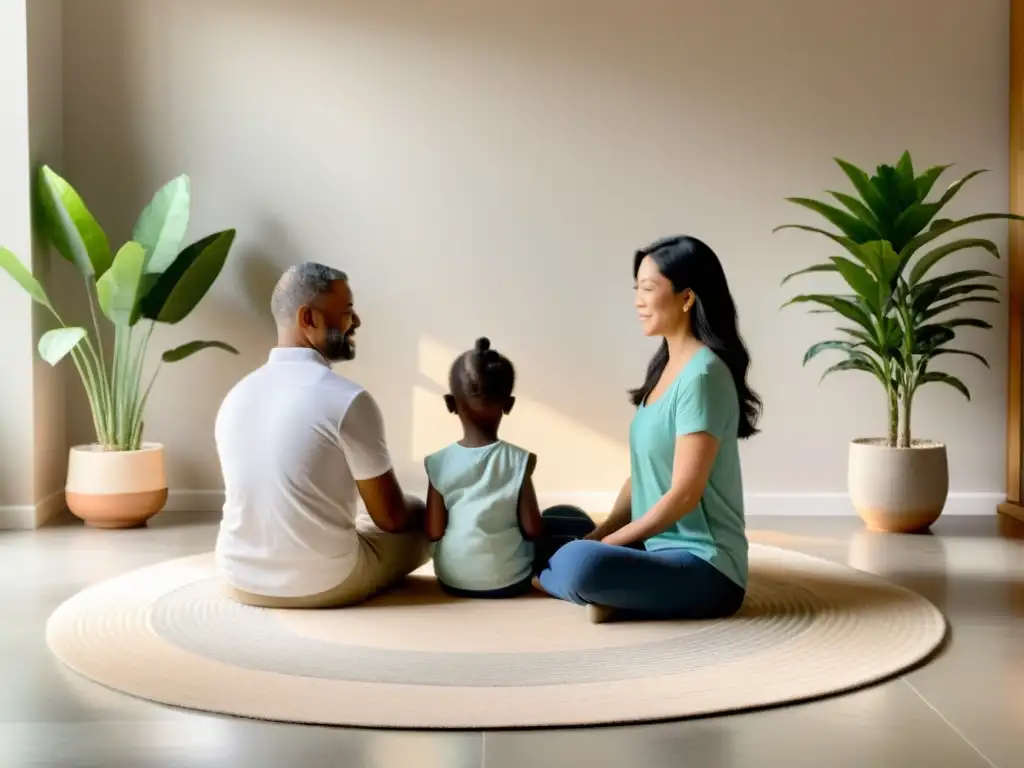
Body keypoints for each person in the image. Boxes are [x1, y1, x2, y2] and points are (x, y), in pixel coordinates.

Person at [537, 235, 762, 623]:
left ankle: (556, 580)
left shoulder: (703, 375)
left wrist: (610, 544)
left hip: (707, 568)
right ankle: (615, 591)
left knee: (582, 564)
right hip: (656, 550)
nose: (637, 301)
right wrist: (605, 529)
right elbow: (642, 474)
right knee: (563, 519)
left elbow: (684, 494)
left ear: (686, 297)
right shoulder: (665, 369)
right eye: (636, 289)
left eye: (647, 289)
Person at [213, 262, 432, 608]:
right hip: (322, 583)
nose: (356, 322)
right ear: (309, 318)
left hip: (235, 577)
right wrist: (428, 509)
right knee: (423, 519)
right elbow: (390, 518)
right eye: (347, 312)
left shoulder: (237, 394)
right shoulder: (347, 399)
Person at [424, 337, 596, 598]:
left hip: (452, 580)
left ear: (450, 403)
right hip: (510, 580)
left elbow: (434, 530)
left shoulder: (437, 462)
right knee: (567, 518)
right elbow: (532, 529)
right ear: (509, 404)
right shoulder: (519, 460)